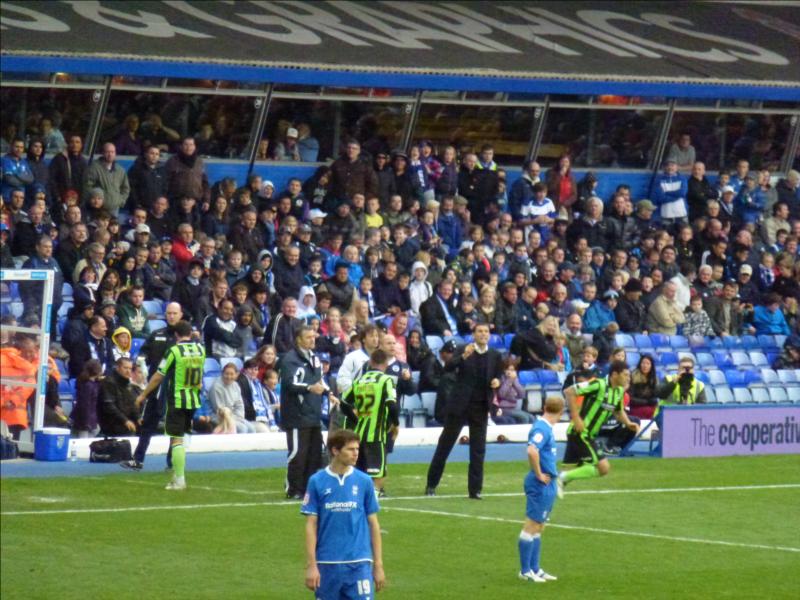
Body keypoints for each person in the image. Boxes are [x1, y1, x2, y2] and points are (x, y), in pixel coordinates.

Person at [301, 428, 385, 599]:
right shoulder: (317, 481)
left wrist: (378, 565)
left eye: (357, 449)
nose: (356, 454)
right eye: (350, 449)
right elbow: (311, 525)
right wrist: (311, 565)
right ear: (335, 451)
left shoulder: (364, 481)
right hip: (327, 563)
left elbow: (373, 525)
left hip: (359, 563)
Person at [425, 323, 504, 499]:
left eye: (486, 332)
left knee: (478, 450)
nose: (483, 334)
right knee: (445, 445)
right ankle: (431, 483)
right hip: (459, 405)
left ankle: (475, 490)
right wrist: (462, 357)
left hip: (481, 406)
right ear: (474, 335)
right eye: (480, 331)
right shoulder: (463, 349)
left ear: (489, 335)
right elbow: (448, 367)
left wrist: (497, 382)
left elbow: (499, 375)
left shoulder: (495, 355)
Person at [135, 321, 205, 491]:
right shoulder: (200, 350)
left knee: (176, 439)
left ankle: (179, 479)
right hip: (193, 399)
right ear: (191, 333)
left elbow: (159, 375)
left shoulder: (174, 351)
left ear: (176, 335)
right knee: (182, 437)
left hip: (178, 399)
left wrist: (143, 394)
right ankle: (177, 475)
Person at [557, 361, 638, 495]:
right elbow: (569, 391)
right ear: (614, 374)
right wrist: (576, 418)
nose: (628, 378)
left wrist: (628, 422)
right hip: (581, 432)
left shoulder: (618, 392)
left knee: (572, 468)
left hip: (588, 434)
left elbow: (618, 411)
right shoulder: (597, 384)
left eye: (629, 375)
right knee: (603, 468)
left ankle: (553, 485)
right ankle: (561, 478)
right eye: (625, 375)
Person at [121, 302, 184, 470]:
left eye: (174, 313)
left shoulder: (187, 339)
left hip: (177, 388)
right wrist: (141, 361)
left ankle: (172, 462)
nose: (171, 316)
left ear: (180, 315)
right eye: (168, 313)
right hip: (157, 386)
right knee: (148, 423)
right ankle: (138, 459)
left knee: (174, 426)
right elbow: (144, 352)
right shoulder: (157, 335)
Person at [280, 325, 332, 499]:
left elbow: (320, 381)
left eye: (313, 337)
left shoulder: (315, 359)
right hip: (297, 415)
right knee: (297, 454)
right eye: (308, 337)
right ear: (299, 339)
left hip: (313, 413)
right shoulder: (290, 359)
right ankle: (293, 489)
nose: (312, 340)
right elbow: (289, 383)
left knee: (314, 454)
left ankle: (308, 489)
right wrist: (310, 388)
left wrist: (329, 393)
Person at [340, 349, 399, 496]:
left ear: (370, 362)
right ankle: (373, 497)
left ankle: (357, 496)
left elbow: (344, 404)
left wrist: (356, 419)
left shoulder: (359, 381)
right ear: (386, 364)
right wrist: (396, 423)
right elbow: (392, 404)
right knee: (378, 472)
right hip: (377, 434)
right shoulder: (386, 380)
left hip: (359, 434)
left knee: (360, 471)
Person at [518, 396, 564, 584]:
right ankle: (525, 570)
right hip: (540, 483)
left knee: (539, 526)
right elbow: (531, 450)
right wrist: (538, 473)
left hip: (548, 482)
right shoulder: (541, 428)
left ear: (545, 406)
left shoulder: (545, 428)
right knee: (532, 525)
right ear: (561, 413)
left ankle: (535, 568)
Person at [98, 357, 139, 437]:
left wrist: (138, 418)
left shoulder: (127, 383)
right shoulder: (108, 382)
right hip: (112, 425)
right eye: (125, 368)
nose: (128, 371)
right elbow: (109, 406)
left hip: (125, 424)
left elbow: (131, 404)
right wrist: (125, 420)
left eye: (130, 369)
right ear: (118, 368)